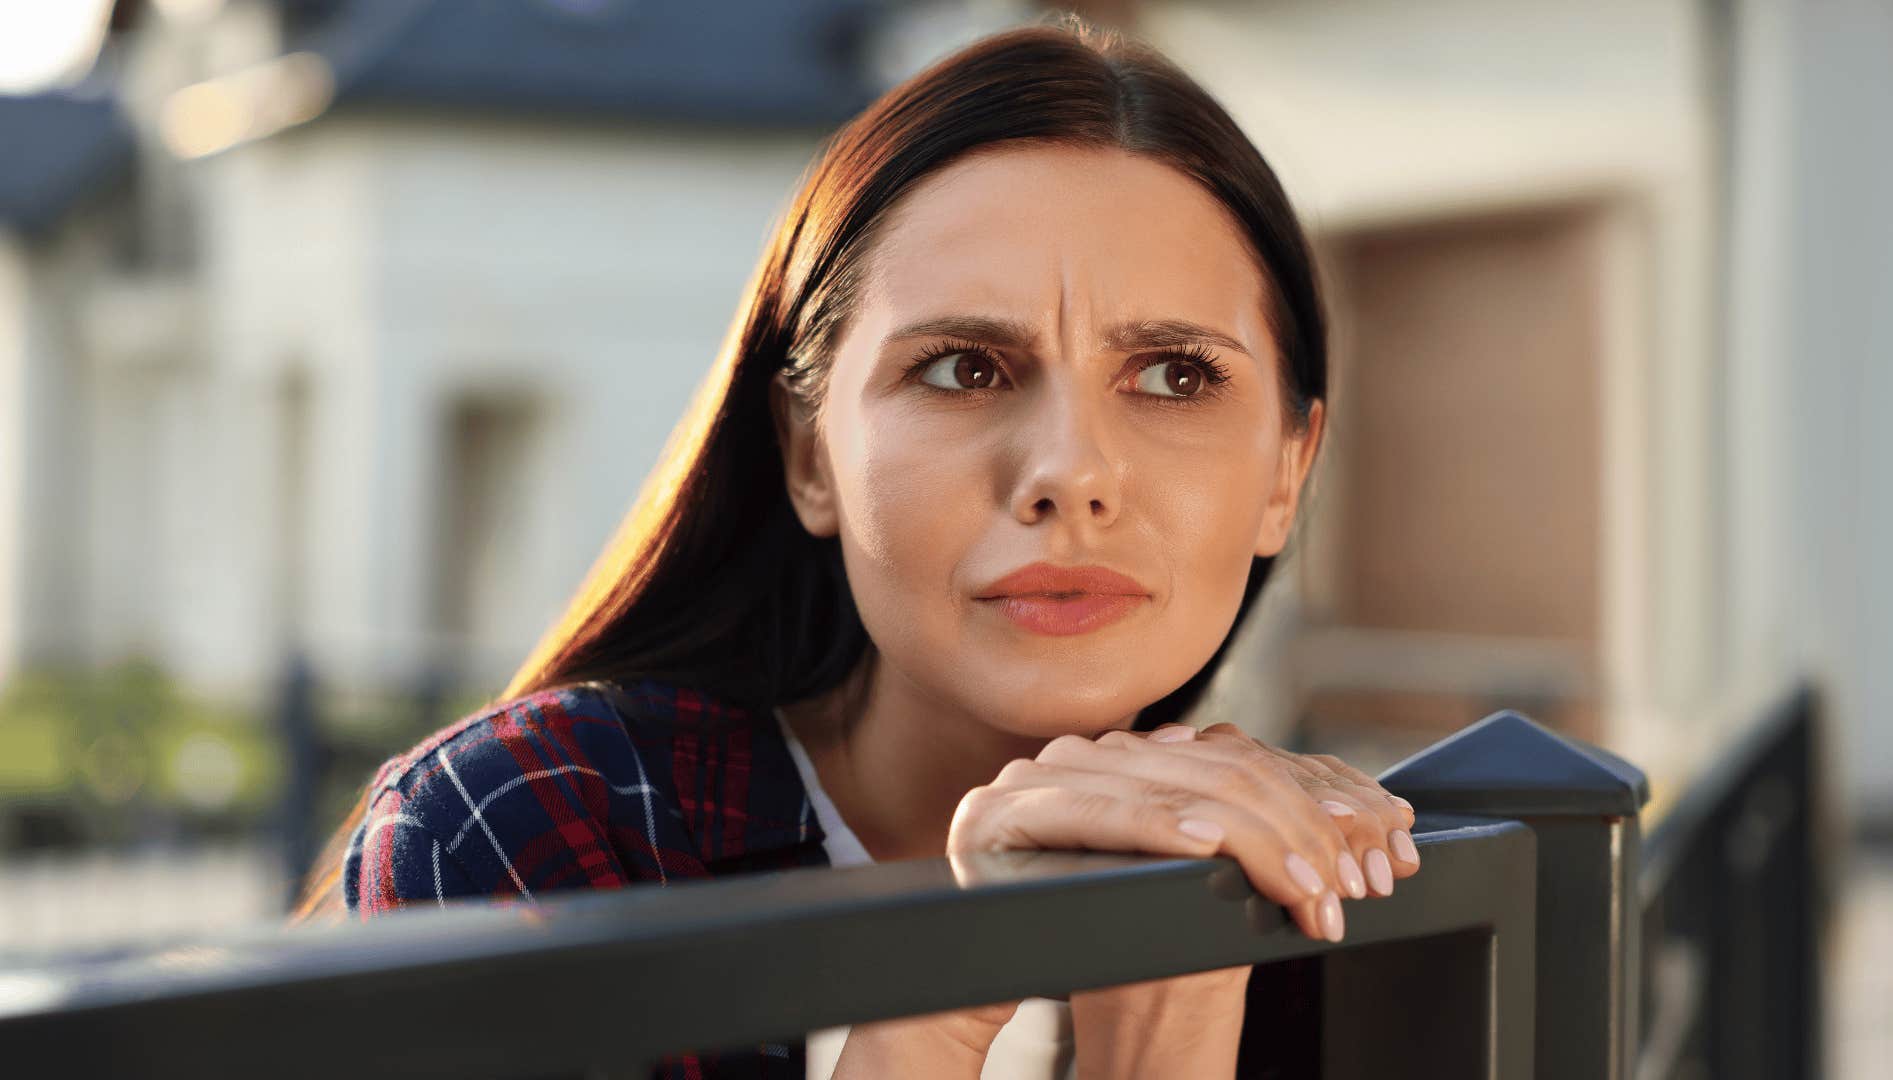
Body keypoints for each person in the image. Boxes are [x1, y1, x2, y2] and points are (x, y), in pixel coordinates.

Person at [289, 14, 1422, 1079]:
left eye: (1175, 376)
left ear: (1287, 472)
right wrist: (936, 993)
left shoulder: (1328, 906)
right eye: (963, 369)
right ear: (809, 455)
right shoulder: (538, 832)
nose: (1071, 473)